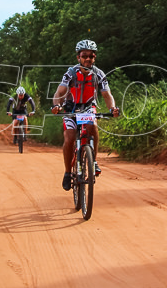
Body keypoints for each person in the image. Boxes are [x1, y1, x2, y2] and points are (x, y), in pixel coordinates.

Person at [50, 39, 120, 191]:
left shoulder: (99, 74)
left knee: (92, 125)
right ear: (78, 57)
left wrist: (113, 108)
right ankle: (68, 173)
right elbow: (60, 92)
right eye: (84, 56)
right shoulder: (70, 73)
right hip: (70, 109)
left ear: (94, 58)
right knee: (69, 138)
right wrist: (56, 105)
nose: (88, 59)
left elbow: (107, 95)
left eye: (91, 56)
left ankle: (93, 161)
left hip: (88, 108)